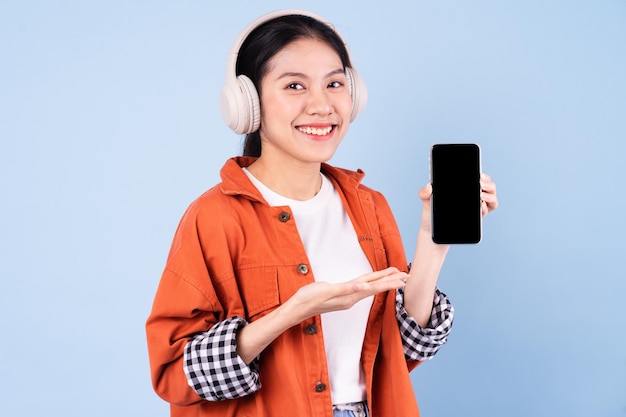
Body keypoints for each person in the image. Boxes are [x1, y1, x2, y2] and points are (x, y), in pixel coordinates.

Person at [145, 9, 498, 417]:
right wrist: (290, 314)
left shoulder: (369, 206)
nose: (321, 104)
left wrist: (434, 242)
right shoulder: (213, 218)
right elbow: (174, 373)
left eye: (334, 83)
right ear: (248, 103)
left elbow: (401, 349)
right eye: (294, 85)